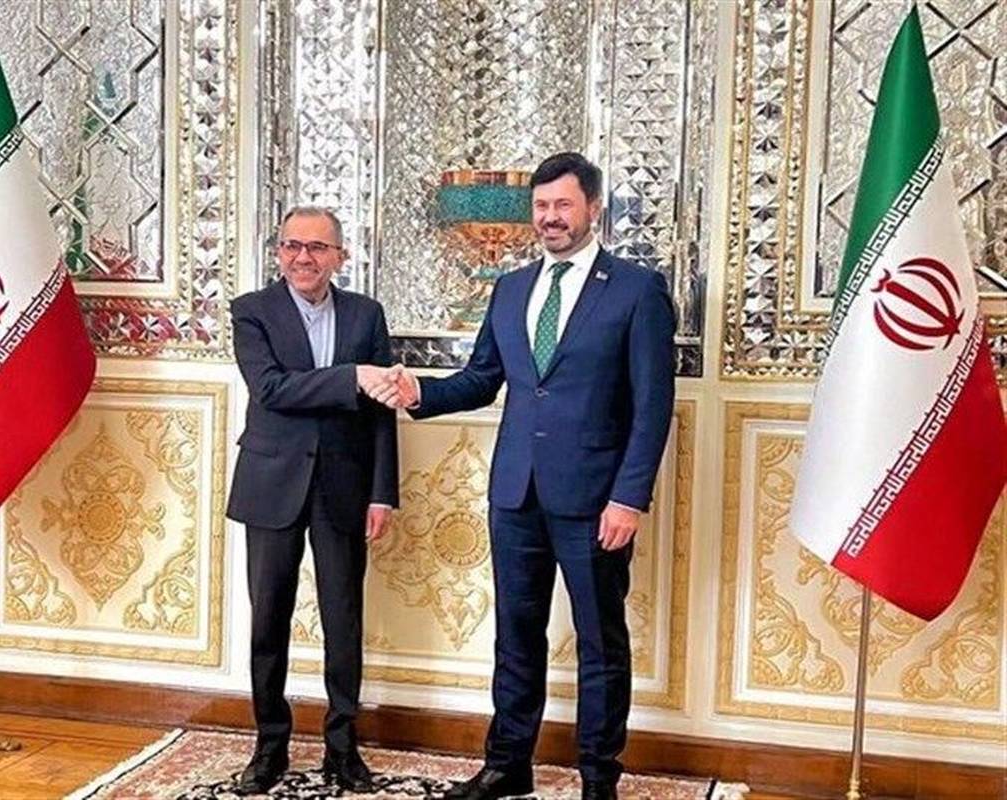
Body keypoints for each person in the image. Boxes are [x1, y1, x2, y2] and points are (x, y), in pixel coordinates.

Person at [375, 153, 675, 800]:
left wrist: (628, 498)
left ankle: (598, 778)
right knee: (515, 635)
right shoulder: (511, 288)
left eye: (563, 205)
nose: (550, 218)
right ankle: (508, 764)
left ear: (593, 209)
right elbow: (483, 379)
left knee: (600, 643)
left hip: (595, 500)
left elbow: (653, 406)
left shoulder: (636, 290)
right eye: (541, 206)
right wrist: (419, 392)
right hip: (515, 494)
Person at [227, 205, 403, 795]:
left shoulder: (366, 314)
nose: (303, 257)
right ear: (278, 252)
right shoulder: (252, 311)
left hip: (344, 488)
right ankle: (269, 747)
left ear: (339, 257)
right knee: (268, 620)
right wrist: (352, 376)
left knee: (343, 619)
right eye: (292, 246)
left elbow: (382, 414)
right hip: (271, 485)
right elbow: (271, 388)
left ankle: (343, 748)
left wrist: (382, 492)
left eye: (318, 247)